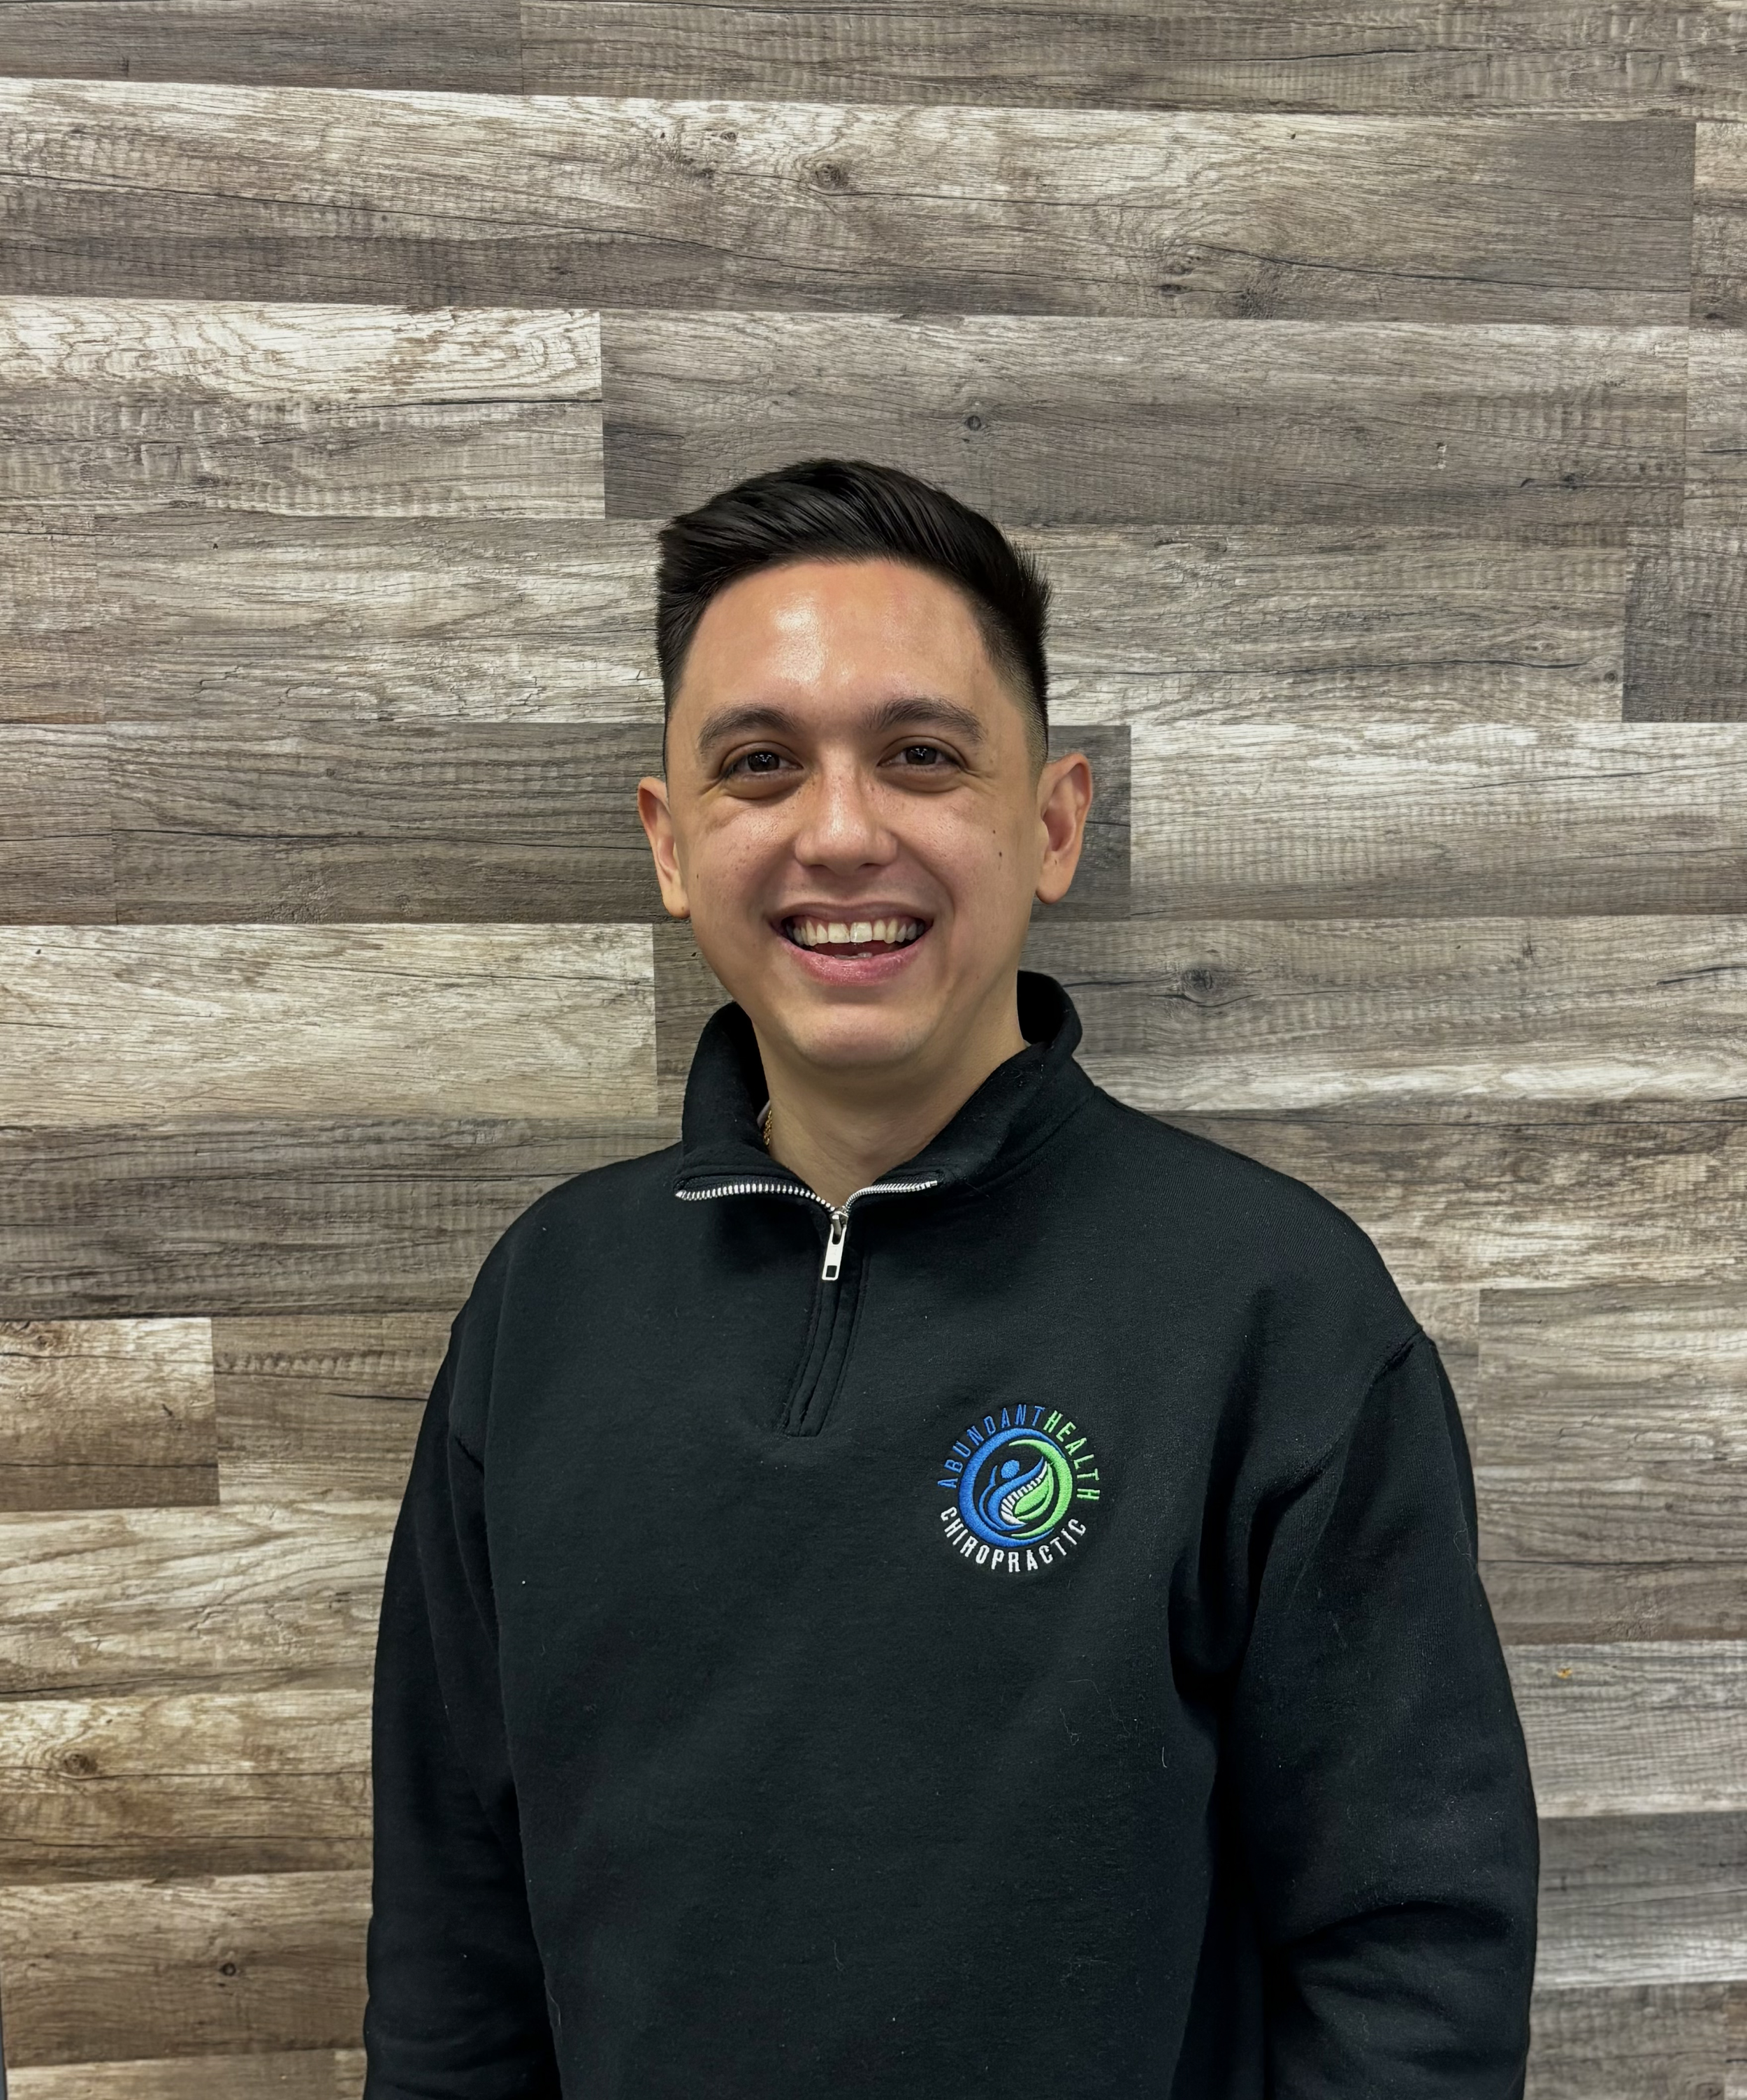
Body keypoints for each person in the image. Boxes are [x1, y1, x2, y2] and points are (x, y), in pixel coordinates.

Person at [362, 458, 1539, 2098]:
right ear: (669, 839)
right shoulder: (544, 1305)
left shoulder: (1269, 1310)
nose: (840, 833)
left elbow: (1411, 1954)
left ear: (1049, 821)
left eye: (919, 756)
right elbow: (451, 1922)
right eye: (758, 764)